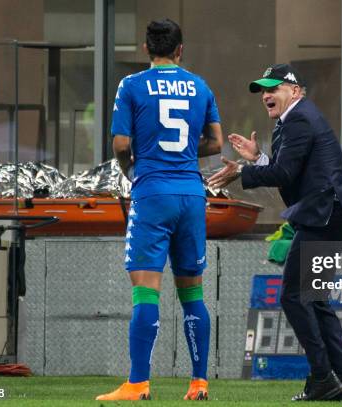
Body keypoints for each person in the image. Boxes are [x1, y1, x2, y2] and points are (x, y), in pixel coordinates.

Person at [208, 64, 342, 401]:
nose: (266, 95)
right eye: (263, 90)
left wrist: (244, 171)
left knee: (293, 297)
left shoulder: (299, 119)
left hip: (323, 217)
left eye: (273, 88)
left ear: (295, 90)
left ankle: (323, 376)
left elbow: (286, 173)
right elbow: (289, 170)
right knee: (315, 299)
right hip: (330, 217)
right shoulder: (297, 118)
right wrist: (260, 158)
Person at [95, 18, 223, 401]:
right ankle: (199, 382)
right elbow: (216, 143)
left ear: (146, 49)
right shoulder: (200, 86)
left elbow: (120, 144)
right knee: (193, 293)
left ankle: (137, 383)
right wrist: (183, 153)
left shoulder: (131, 86)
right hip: (191, 195)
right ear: (180, 50)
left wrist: (131, 166)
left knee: (146, 292)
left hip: (152, 193)